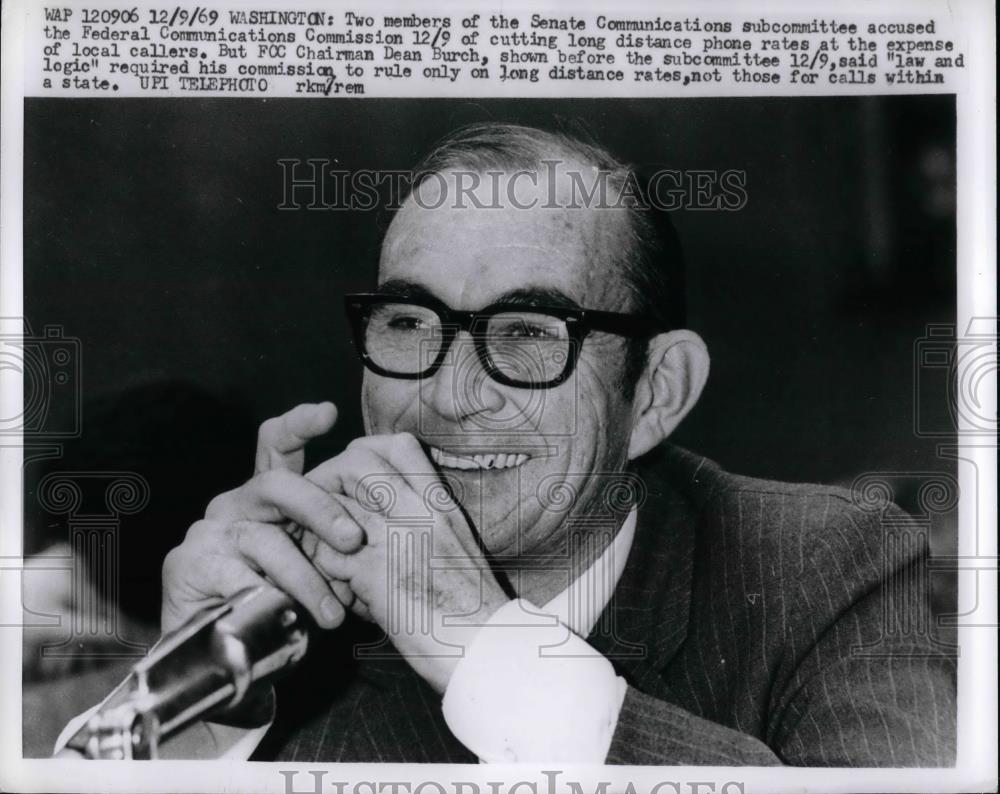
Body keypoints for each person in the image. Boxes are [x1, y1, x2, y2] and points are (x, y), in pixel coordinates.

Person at [57, 123, 955, 765]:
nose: (448, 397)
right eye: (409, 322)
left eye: (529, 331)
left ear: (654, 393)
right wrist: (198, 722)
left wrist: (480, 643)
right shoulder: (301, 602)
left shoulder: (832, 567)